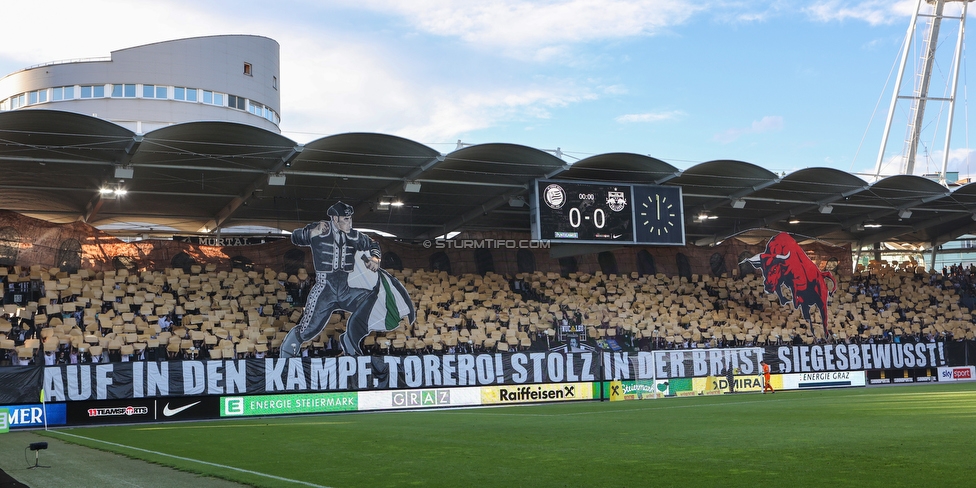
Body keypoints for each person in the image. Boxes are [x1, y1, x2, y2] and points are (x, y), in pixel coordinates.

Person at [280, 201, 414, 358]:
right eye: (345, 219)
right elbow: (296, 237)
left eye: (350, 219)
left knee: (370, 297)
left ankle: (351, 339)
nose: (349, 222)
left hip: (345, 289)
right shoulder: (320, 229)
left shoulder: (354, 235)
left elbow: (373, 245)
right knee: (309, 329)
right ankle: (287, 354)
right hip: (325, 289)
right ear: (335, 219)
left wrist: (375, 259)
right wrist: (313, 232)